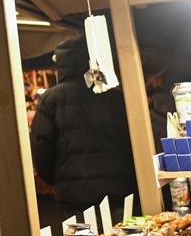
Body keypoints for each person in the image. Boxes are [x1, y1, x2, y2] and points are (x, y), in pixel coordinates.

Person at [31, 36, 138, 219]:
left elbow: (40, 148)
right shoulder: (113, 96)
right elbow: (131, 142)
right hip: (118, 191)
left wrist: (57, 179)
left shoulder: (51, 99)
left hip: (74, 196)